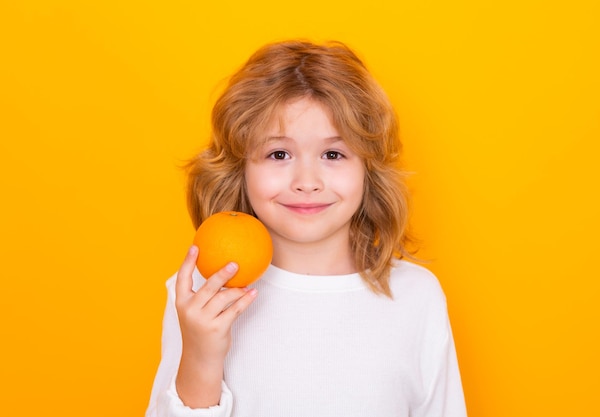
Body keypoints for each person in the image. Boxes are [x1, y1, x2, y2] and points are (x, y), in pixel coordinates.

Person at [146, 40, 467, 417]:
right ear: (241, 169)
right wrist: (201, 358)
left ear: (368, 168)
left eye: (333, 154)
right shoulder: (201, 297)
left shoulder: (416, 297)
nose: (307, 181)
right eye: (278, 154)